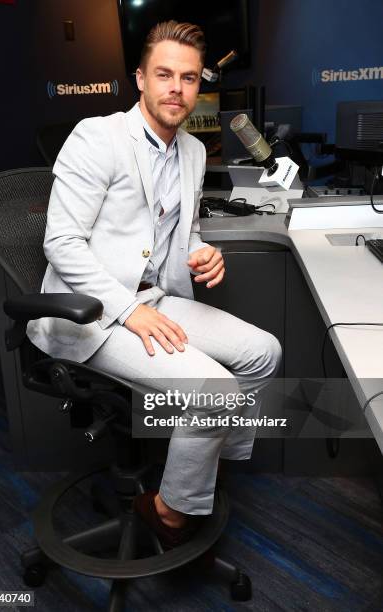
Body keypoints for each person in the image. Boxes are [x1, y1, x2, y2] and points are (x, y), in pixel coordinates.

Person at [27, 20, 281, 550]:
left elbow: (179, 232)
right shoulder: (97, 137)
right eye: (163, 74)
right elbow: (62, 243)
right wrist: (127, 310)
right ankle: (170, 510)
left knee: (263, 352)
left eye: (188, 78)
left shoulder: (190, 151)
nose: (176, 88)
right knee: (215, 391)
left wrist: (201, 254)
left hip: (156, 296)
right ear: (139, 78)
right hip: (91, 311)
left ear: (198, 86)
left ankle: (198, 474)